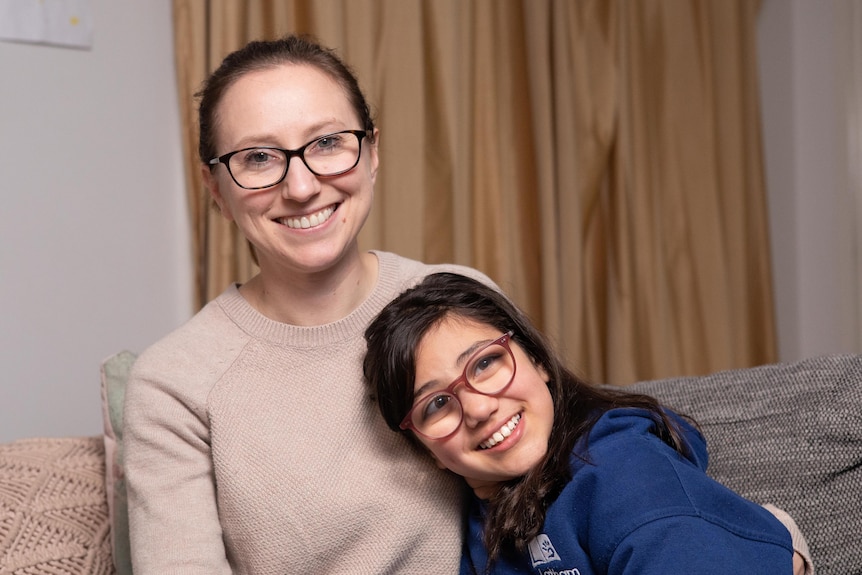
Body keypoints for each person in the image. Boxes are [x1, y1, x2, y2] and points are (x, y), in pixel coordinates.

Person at [122, 35, 496, 573]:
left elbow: (558, 494)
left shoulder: (459, 299)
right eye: (257, 157)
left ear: (371, 153)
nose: (300, 186)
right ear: (215, 190)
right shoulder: (174, 383)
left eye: (326, 142)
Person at [364, 272, 814, 575]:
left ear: (536, 358)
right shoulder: (480, 519)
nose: (479, 409)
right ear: (425, 450)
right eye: (438, 404)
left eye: (484, 364)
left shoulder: (624, 475)